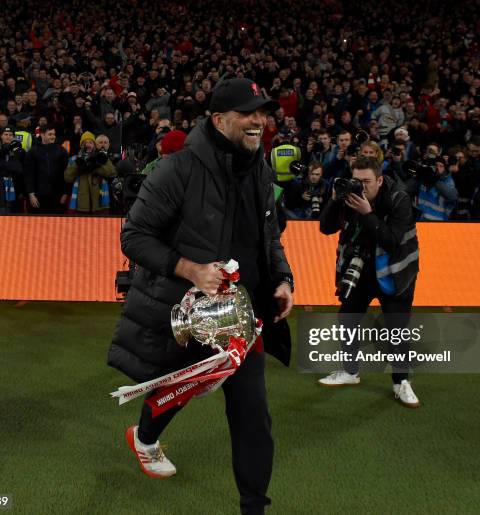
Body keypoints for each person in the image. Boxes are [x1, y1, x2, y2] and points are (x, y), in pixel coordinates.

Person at [108, 78, 294, 515]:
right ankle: (145, 437)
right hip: (186, 313)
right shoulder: (178, 168)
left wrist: (283, 278)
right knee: (182, 387)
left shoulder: (262, 170)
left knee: (252, 414)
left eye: (263, 113)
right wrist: (191, 270)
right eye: (249, 114)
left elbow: (270, 239)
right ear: (218, 119)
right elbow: (133, 236)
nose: (259, 122)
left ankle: (254, 508)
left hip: (242, 319)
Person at [318, 156, 420, 407]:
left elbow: (391, 241)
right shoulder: (348, 194)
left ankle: (401, 382)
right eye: (356, 180)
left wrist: (368, 213)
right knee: (347, 318)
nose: (361, 187)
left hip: (395, 270)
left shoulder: (399, 199)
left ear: (380, 179)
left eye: (367, 181)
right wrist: (334, 199)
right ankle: (351, 372)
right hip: (360, 267)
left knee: (397, 328)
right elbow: (325, 227)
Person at [64, 131, 117, 214]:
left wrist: (96, 166)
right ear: (81, 146)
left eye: (90, 143)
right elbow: (68, 178)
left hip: (100, 204)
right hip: (80, 205)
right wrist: (78, 164)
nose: (88, 145)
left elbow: (112, 173)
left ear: (94, 145)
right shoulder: (73, 159)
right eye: (84, 143)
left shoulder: (101, 157)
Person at [24, 124, 69, 214]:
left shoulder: (61, 151)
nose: (53, 137)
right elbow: (28, 174)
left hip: (57, 195)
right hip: (38, 196)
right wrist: (31, 194)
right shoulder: (32, 152)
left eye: (54, 134)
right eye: (50, 134)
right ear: (42, 134)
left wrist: (65, 193)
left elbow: (66, 174)